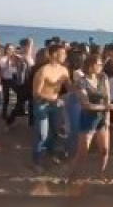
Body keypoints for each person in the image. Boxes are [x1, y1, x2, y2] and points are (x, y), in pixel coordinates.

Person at [67, 55, 113, 183]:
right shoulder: (82, 82)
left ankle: (101, 173)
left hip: (101, 118)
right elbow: (86, 105)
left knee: (104, 150)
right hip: (87, 118)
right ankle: (71, 176)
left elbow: (107, 96)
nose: (101, 66)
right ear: (90, 66)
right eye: (98, 64)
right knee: (82, 154)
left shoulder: (103, 77)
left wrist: (107, 117)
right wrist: (107, 107)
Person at [31, 44, 71, 172]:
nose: (65, 56)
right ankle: (37, 162)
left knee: (54, 132)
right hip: (42, 105)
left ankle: (50, 154)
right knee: (42, 134)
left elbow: (70, 88)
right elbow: (36, 94)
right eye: (63, 53)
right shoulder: (43, 71)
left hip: (55, 105)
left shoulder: (64, 70)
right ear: (54, 54)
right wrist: (53, 99)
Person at [64, 50, 86, 157]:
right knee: (75, 128)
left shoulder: (70, 71)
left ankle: (70, 150)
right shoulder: (77, 73)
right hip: (76, 100)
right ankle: (71, 150)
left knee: (72, 127)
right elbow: (74, 88)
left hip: (72, 99)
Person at [0, 43, 19, 123]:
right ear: (6, 50)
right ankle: (4, 114)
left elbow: (17, 67)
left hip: (14, 78)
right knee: (6, 97)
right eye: (9, 49)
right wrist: (8, 59)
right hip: (6, 79)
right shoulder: (2, 59)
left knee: (19, 94)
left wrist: (15, 60)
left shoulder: (15, 58)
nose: (11, 51)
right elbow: (3, 68)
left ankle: (17, 111)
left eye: (12, 49)